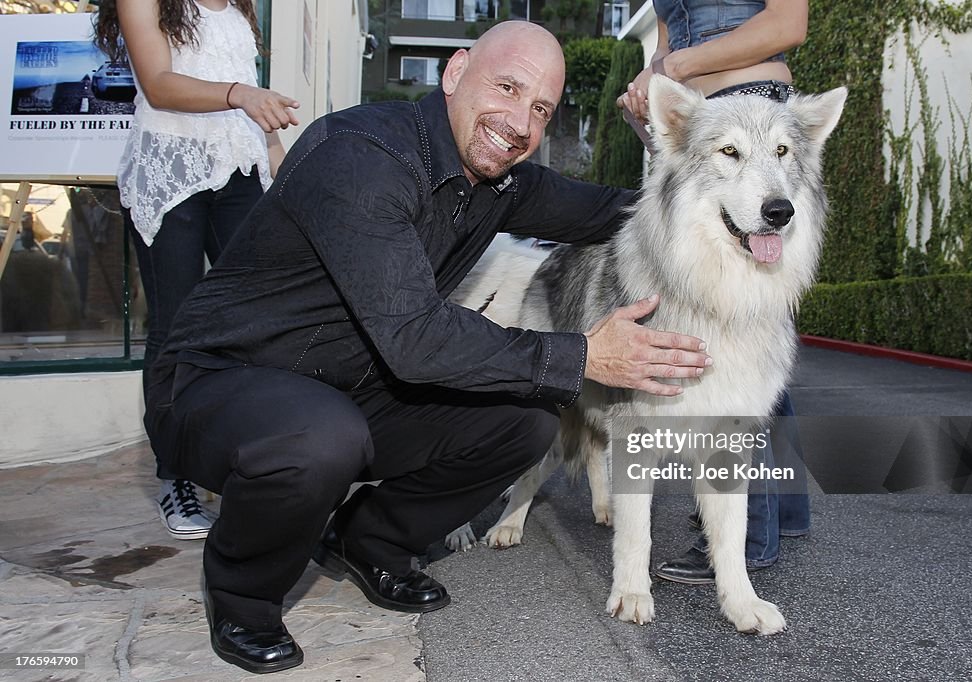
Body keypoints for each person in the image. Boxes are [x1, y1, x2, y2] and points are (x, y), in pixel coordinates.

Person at [143, 20, 712, 675]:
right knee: (320, 436)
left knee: (524, 419)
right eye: (506, 87)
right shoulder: (363, 157)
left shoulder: (499, 181)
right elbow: (415, 338)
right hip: (220, 385)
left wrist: (721, 198)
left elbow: (618, 211)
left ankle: (370, 541)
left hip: (352, 386)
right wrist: (584, 355)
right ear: (454, 72)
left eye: (540, 109)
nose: (520, 122)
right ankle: (242, 594)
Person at [618, 0, 812, 585]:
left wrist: (674, 71)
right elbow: (668, 40)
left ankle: (748, 538)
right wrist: (648, 87)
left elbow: (787, 24)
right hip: (694, 115)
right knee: (754, 343)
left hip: (748, 109)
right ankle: (787, 509)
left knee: (740, 342)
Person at [93, 0, 299, 541]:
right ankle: (177, 478)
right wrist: (241, 95)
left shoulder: (237, 7)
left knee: (252, 325)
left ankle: (243, 466)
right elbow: (159, 84)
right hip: (172, 170)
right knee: (176, 329)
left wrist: (278, 153)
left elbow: (247, 89)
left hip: (237, 168)